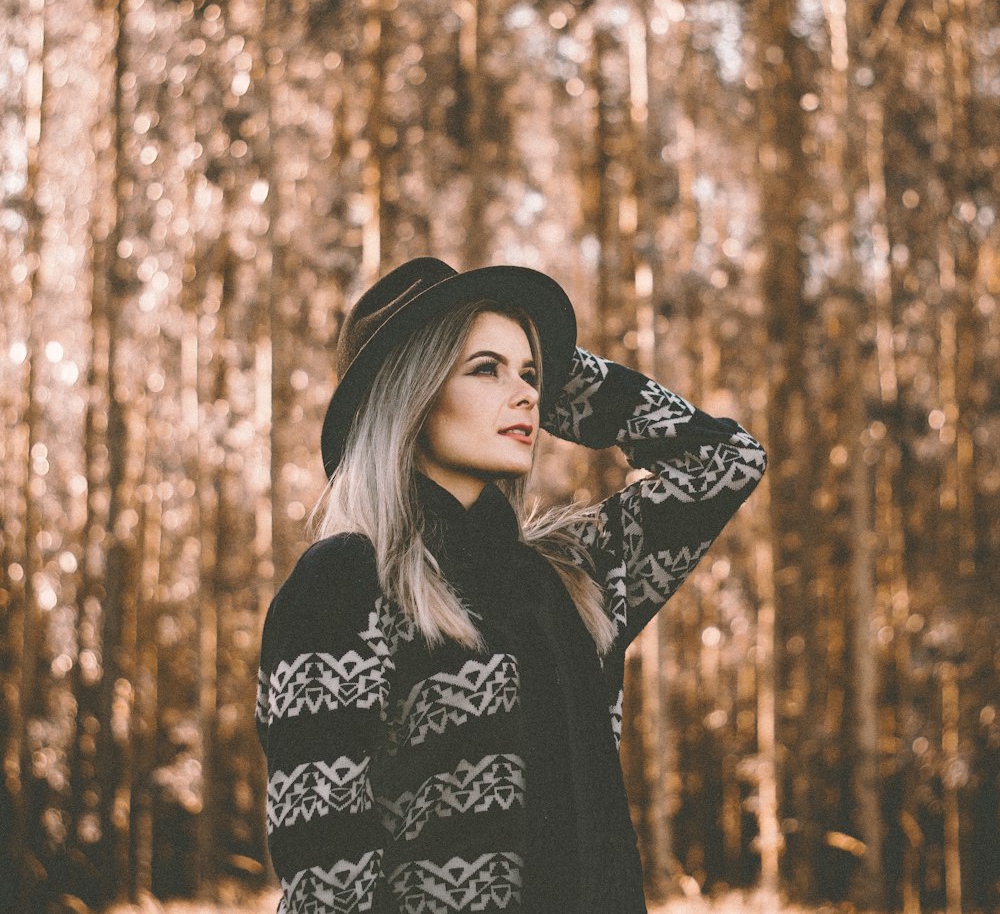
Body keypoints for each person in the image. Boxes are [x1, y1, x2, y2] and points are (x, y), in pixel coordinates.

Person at [255, 257, 767, 914]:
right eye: (484, 368)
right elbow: (328, 886)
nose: (526, 394)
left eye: (531, 374)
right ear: (411, 391)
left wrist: (558, 370)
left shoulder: (573, 576)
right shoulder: (344, 584)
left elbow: (727, 460)